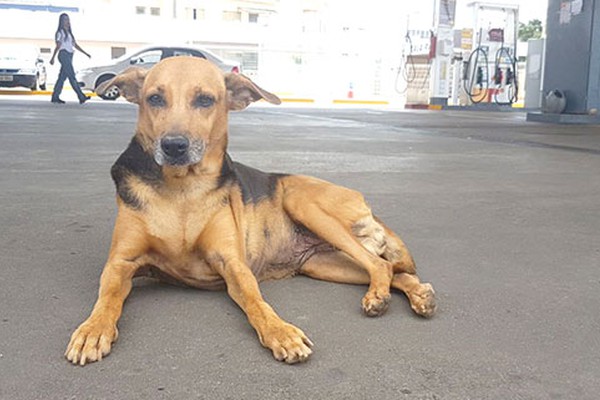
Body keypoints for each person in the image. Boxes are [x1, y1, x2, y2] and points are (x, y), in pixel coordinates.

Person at [49, 13, 91, 104]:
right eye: (65, 20)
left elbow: (75, 45)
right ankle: (81, 96)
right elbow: (58, 46)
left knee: (62, 78)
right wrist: (53, 58)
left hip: (69, 55)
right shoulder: (60, 32)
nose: (67, 22)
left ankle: (55, 96)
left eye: (68, 20)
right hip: (64, 55)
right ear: (61, 21)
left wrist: (85, 53)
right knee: (72, 76)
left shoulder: (69, 33)